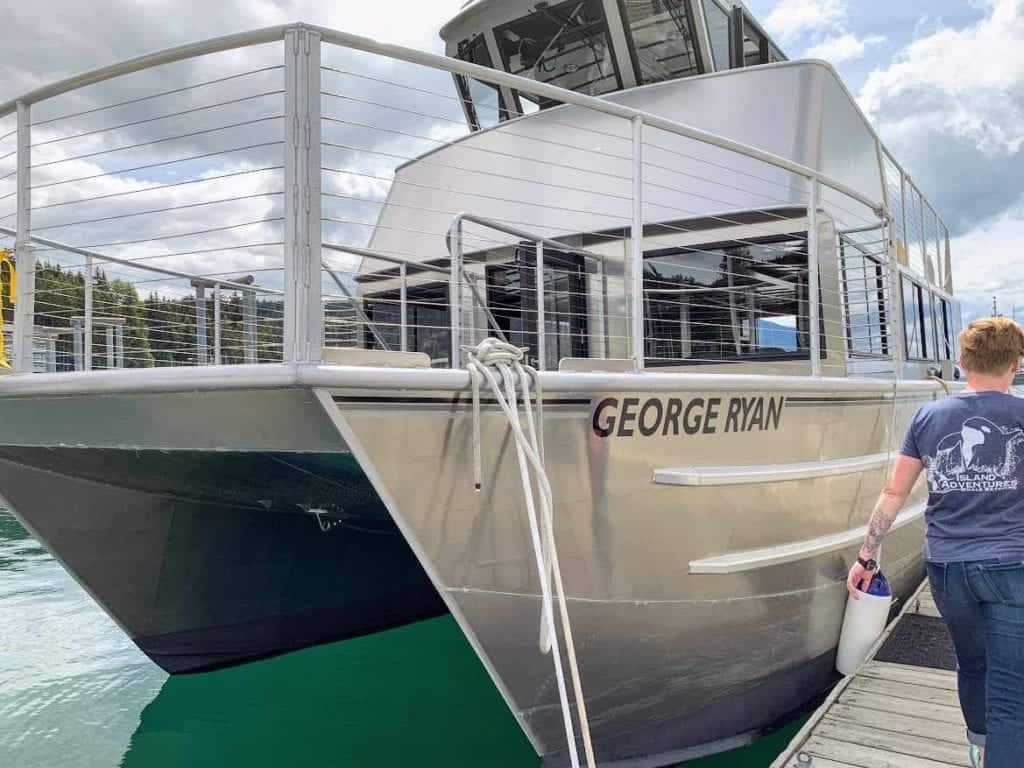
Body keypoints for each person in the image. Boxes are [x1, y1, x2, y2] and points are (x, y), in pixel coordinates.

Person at [846, 316, 1024, 768]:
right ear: (1016, 365)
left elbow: (894, 493)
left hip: (947, 568)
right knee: (1010, 687)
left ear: (962, 363)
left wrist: (866, 556)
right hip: (1010, 566)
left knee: (971, 661)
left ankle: (980, 745)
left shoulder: (928, 416)